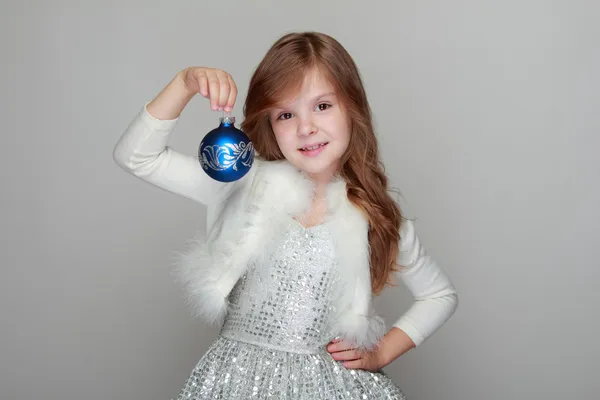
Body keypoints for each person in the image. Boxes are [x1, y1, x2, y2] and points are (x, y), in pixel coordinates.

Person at [113, 31, 458, 399]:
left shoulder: (375, 215)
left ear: (352, 107)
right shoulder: (243, 184)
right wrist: (184, 83)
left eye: (322, 106)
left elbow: (439, 295)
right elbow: (136, 157)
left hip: (329, 388)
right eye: (286, 113)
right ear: (270, 123)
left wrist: (382, 351)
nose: (305, 127)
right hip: (235, 384)